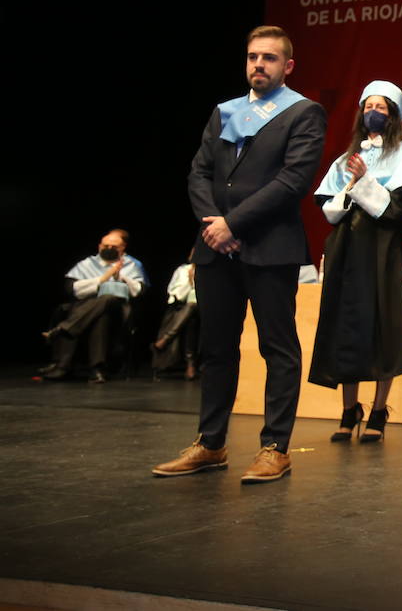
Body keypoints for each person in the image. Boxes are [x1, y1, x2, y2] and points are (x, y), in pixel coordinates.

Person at [153, 25, 326, 483]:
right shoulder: (225, 112)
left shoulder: (303, 113)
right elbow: (198, 173)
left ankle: (275, 447)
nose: (258, 65)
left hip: (270, 248)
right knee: (216, 350)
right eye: (252, 57)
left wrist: (235, 223)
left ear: (287, 66)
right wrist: (214, 225)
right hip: (216, 250)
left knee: (277, 348)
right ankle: (210, 444)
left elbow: (292, 181)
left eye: (268, 58)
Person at [312, 80, 402, 443]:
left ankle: (379, 410)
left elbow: (399, 210)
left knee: (383, 327)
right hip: (346, 249)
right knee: (346, 326)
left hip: (380, 251)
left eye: (381, 107)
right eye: (368, 107)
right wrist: (352, 188)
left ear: (393, 114)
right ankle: (350, 410)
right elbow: (328, 204)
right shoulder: (347, 157)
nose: (373, 113)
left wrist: (364, 185)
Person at [41, 229, 146, 383]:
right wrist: (102, 279)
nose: (108, 249)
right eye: (105, 245)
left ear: (123, 248)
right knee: (101, 315)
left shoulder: (133, 264)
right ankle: (96, 369)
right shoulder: (87, 263)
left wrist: (120, 276)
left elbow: (139, 291)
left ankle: (63, 337)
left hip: (119, 309)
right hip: (88, 307)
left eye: (114, 247)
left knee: (108, 298)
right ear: (99, 246)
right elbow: (73, 289)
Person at [152, 247, 199, 381]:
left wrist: (195, 282)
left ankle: (165, 339)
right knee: (190, 319)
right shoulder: (182, 270)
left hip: (206, 308)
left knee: (192, 307)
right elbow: (173, 290)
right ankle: (190, 364)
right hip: (183, 306)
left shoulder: (211, 269)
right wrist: (189, 282)